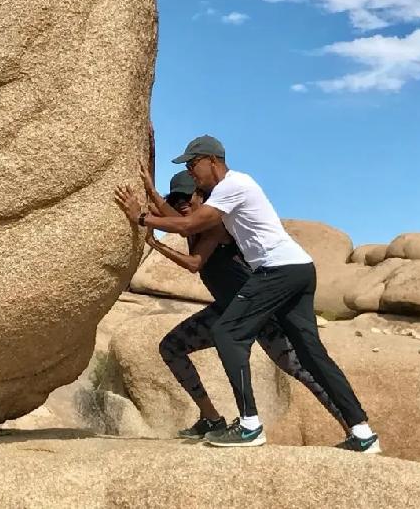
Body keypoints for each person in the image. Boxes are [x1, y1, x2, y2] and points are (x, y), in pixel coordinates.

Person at [115, 136, 379, 452]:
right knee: (311, 357)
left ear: (211, 160)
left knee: (230, 335)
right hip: (296, 269)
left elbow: (187, 227)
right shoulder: (225, 194)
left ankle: (249, 426)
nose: (191, 171)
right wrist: (151, 189)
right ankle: (362, 432)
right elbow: (181, 216)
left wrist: (141, 219)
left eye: (192, 164)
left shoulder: (230, 188)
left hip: (276, 276)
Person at [140, 167, 349, 442]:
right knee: (171, 347)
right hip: (228, 309)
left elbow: (194, 264)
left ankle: (353, 428)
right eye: (177, 201)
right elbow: (172, 215)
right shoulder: (189, 222)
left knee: (300, 369)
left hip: (257, 310)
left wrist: (154, 241)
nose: (182, 205)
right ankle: (211, 419)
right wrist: (150, 187)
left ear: (202, 197)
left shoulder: (216, 224)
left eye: (187, 199)